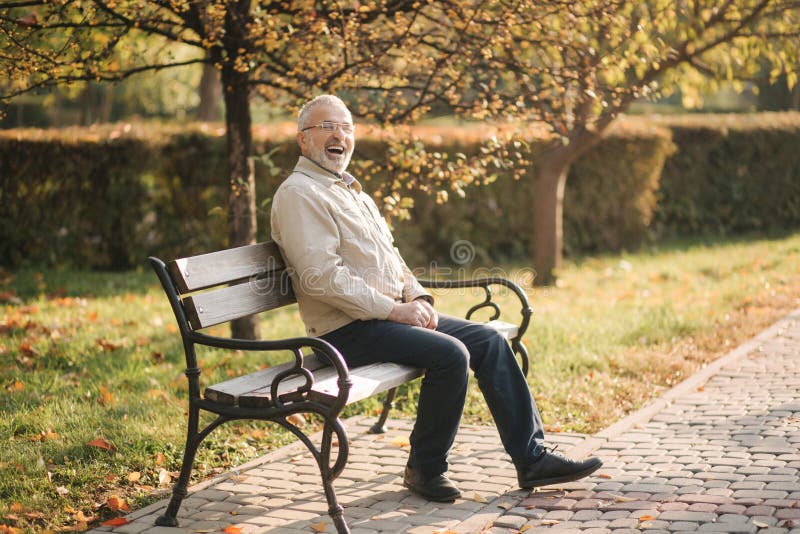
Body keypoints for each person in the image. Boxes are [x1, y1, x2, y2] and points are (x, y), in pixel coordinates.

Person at [270, 94, 602, 502]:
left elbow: (391, 260)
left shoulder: (353, 192)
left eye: (347, 127)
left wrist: (418, 298)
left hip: (385, 318)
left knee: (489, 340)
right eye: (327, 127)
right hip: (344, 330)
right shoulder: (299, 193)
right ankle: (425, 469)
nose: (340, 134)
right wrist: (395, 309)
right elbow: (322, 277)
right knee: (451, 355)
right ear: (303, 141)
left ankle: (532, 458)